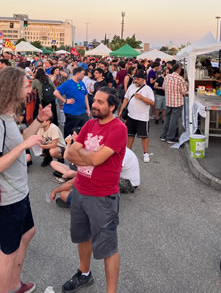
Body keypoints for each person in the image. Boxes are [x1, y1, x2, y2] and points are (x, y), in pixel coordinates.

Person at [0, 66, 52, 293]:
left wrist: (39, 120)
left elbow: (19, 139)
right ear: (12, 88)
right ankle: (8, 286)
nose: (30, 86)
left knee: (28, 233)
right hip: (9, 197)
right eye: (25, 84)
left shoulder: (9, 117)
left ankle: (15, 284)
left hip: (20, 192)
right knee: (7, 253)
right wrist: (23, 146)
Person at [61, 86, 127, 293]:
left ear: (112, 106)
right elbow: (68, 154)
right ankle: (84, 273)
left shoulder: (118, 129)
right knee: (82, 237)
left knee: (108, 247)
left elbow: (95, 158)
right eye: (94, 100)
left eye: (100, 102)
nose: (95, 105)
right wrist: (87, 155)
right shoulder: (89, 124)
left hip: (103, 196)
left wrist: (82, 153)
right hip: (80, 190)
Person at [119, 70, 154, 163]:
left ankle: (146, 153)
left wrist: (141, 98)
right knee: (130, 135)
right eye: (135, 78)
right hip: (131, 116)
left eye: (138, 79)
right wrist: (121, 110)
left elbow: (152, 102)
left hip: (142, 117)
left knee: (144, 136)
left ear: (143, 79)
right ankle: (128, 153)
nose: (136, 80)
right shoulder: (131, 86)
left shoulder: (148, 89)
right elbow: (126, 99)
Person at [54, 67, 91, 138]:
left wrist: (88, 109)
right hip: (72, 112)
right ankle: (68, 147)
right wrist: (65, 101)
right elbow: (56, 92)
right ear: (77, 74)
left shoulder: (82, 83)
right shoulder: (68, 83)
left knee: (83, 131)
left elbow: (85, 95)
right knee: (70, 133)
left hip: (83, 112)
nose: (84, 76)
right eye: (83, 74)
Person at [160, 63, 187, 144]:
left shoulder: (167, 77)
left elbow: (163, 88)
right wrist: (186, 88)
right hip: (177, 102)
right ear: (179, 69)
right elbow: (183, 92)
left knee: (167, 118)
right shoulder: (180, 78)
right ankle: (170, 137)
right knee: (173, 120)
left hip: (169, 101)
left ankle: (164, 135)